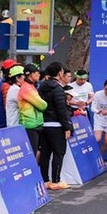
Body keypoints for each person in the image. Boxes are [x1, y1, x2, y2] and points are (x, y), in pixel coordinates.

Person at [38, 62, 73, 190]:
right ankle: (56, 180)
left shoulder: (42, 87)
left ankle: (45, 180)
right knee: (58, 153)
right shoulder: (57, 89)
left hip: (44, 124)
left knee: (45, 154)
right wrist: (66, 127)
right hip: (56, 126)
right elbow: (61, 110)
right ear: (59, 73)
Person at [18, 64, 47, 156]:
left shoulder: (31, 86)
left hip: (35, 124)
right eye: (37, 73)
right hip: (30, 125)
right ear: (31, 74)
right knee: (31, 154)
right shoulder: (27, 88)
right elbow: (42, 105)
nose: (39, 75)